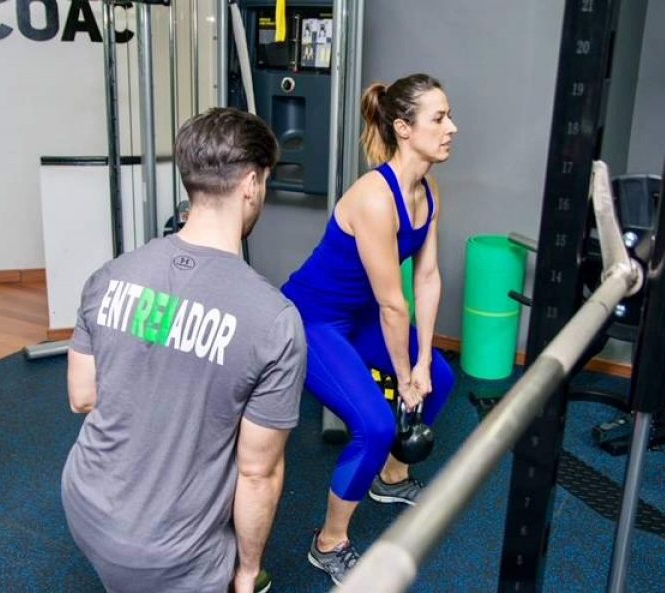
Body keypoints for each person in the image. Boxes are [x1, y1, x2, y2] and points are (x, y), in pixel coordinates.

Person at [61, 108, 307, 593]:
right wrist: (247, 571)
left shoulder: (109, 275)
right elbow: (258, 474)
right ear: (252, 185)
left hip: (83, 505)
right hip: (172, 555)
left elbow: (82, 397)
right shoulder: (275, 321)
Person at [281, 73, 458, 585]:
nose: (452, 128)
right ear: (404, 128)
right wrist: (404, 377)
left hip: (359, 317)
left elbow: (426, 277)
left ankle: (391, 477)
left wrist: (423, 362)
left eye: (448, 116)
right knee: (377, 425)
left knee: (441, 380)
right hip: (312, 320)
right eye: (439, 118)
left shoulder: (427, 191)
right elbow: (391, 303)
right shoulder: (375, 197)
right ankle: (328, 543)